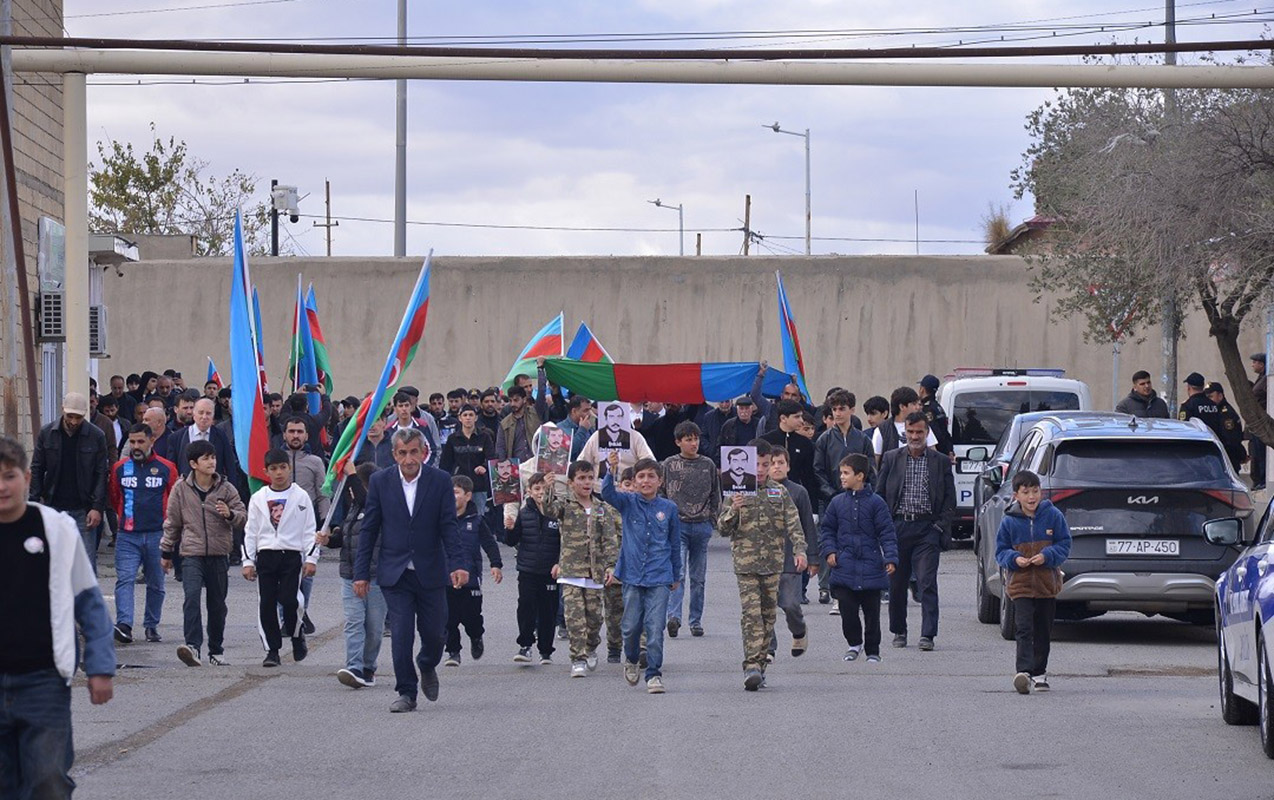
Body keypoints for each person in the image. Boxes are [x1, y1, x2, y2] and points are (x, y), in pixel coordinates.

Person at [0, 435, 115, 799]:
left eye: (9, 476)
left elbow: (90, 602)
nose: (2, 486)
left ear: (27, 479)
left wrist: (100, 666)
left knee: (48, 779)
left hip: (43, 681)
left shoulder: (57, 530)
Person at [355, 427, 468, 713]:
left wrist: (457, 563)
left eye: (414, 452)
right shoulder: (381, 481)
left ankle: (427, 663)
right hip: (395, 573)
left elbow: (448, 526)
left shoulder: (440, 481)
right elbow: (369, 530)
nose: (408, 459)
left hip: (430, 570)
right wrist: (360, 573)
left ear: (423, 452)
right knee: (402, 635)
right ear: (394, 454)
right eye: (402, 453)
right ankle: (406, 691)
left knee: (434, 634)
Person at [718, 439, 806, 691]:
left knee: (768, 616)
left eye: (765, 464)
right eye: (755, 464)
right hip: (745, 565)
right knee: (752, 615)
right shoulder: (735, 491)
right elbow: (722, 528)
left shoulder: (779, 492)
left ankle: (761, 666)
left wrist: (800, 550)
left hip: (773, 564)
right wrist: (733, 509)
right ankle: (751, 666)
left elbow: (794, 524)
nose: (759, 469)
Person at [161, 440, 246, 667]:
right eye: (206, 458)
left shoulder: (226, 488)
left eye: (213, 457)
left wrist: (229, 514)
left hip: (219, 553)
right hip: (191, 552)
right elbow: (172, 522)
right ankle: (192, 647)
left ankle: (216, 650)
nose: (212, 462)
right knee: (191, 598)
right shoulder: (181, 489)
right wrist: (166, 552)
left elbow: (243, 516)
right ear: (193, 464)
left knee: (217, 604)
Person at [601, 451, 681, 694]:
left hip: (660, 575)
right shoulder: (627, 502)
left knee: (655, 629)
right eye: (641, 477)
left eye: (651, 477)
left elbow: (674, 543)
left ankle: (654, 674)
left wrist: (676, 575)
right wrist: (610, 470)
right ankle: (632, 659)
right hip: (633, 575)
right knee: (630, 626)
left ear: (660, 481)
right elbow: (607, 494)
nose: (646, 481)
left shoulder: (668, 508)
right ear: (634, 481)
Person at [876, 412, 955, 651]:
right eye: (910, 432)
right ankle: (899, 631)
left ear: (926, 432)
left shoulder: (939, 461)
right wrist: (883, 527)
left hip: (927, 529)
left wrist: (939, 526)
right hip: (898, 527)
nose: (914, 436)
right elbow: (880, 494)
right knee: (897, 584)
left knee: (926, 582)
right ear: (905, 433)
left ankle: (928, 635)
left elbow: (950, 499)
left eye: (919, 432)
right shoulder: (891, 458)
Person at [995, 469, 1072, 694]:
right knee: (1024, 628)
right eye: (1026, 492)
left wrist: (1047, 556)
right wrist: (1014, 558)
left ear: (1041, 492)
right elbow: (1000, 551)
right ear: (1016, 495)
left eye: (1035, 491)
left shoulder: (1053, 515)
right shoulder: (1009, 521)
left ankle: (1040, 673)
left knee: (1043, 630)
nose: (1031, 497)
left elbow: (1064, 544)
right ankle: (1024, 672)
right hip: (1020, 585)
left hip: (1047, 585)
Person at [242, 449, 318, 669]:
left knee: (290, 600)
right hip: (266, 555)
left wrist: (311, 558)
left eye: (282, 468)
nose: (278, 473)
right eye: (273, 469)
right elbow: (251, 531)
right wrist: (248, 562)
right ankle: (272, 650)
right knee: (266, 603)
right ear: (266, 471)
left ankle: (296, 634)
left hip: (291, 555)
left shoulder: (300, 496)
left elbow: (308, 529)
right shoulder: (258, 498)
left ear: (289, 468)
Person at [542, 461, 618, 677]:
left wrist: (611, 566)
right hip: (571, 572)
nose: (586, 482)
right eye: (581, 479)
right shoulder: (565, 505)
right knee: (575, 618)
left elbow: (610, 540)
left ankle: (591, 646)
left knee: (594, 618)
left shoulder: (603, 509)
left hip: (596, 572)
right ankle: (578, 658)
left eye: (589, 478)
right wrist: (548, 488)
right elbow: (549, 510)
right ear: (571, 483)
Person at [820, 454, 898, 663]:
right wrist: (830, 551)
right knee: (847, 609)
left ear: (860, 476)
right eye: (841, 473)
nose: (842, 478)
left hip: (872, 565)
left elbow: (887, 533)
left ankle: (873, 650)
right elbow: (827, 530)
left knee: (872, 613)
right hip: (844, 565)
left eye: (846, 473)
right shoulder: (837, 503)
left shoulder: (876, 503)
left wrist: (890, 558)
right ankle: (854, 643)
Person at [107, 423, 178, 645]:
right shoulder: (120, 468)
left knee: (156, 583)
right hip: (127, 535)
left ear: (151, 441)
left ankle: (151, 625)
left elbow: (174, 499)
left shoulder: (167, 467)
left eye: (140, 442)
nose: (136, 446)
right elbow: (114, 496)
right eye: (132, 442)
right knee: (125, 579)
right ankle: (124, 625)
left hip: (158, 535)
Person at [29, 392, 110, 576]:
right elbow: (37, 468)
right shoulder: (47, 433)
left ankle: (86, 604)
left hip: (84, 508)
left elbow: (101, 473)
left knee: (86, 566)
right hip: (53, 505)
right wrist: (34, 502)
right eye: (70, 416)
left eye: (78, 417)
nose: (74, 421)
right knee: (50, 561)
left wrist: (97, 507)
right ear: (62, 410)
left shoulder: (96, 436)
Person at [661, 421, 720, 639]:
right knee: (679, 573)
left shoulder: (708, 465)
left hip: (702, 524)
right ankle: (673, 616)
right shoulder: (668, 465)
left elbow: (716, 494)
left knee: (699, 577)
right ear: (678, 442)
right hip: (678, 525)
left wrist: (713, 519)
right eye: (688, 439)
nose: (693, 443)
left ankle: (696, 620)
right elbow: (661, 493)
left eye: (695, 439)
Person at [330, 461, 385, 689]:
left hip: (376, 577)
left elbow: (368, 504)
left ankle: (368, 667)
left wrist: (352, 475)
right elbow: (346, 538)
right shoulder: (354, 508)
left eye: (357, 486)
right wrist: (330, 540)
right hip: (350, 574)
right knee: (354, 621)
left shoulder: (382, 505)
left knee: (373, 627)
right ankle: (354, 666)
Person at [443, 476, 503, 667]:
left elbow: (489, 544)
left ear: (468, 496)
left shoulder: (477, 520)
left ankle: (476, 637)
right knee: (447, 619)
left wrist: (496, 564)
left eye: (456, 492)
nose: (451, 497)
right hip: (445, 578)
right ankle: (453, 651)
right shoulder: (442, 520)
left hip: (471, 579)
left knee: (471, 618)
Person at [504, 472, 562, 665]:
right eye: (537, 488)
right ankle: (525, 645)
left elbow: (565, 541)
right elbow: (512, 540)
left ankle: (546, 651)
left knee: (548, 611)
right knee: (526, 607)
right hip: (527, 570)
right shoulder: (524, 513)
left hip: (550, 571)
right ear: (528, 491)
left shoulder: (556, 512)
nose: (540, 492)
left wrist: (559, 562)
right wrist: (510, 528)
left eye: (544, 489)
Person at [768, 446, 818, 659]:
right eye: (771, 463)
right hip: (765, 560)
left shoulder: (798, 492)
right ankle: (768, 648)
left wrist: (813, 557)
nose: (776, 467)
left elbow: (808, 525)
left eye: (780, 462)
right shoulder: (757, 490)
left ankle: (799, 630)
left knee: (790, 604)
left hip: (791, 559)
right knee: (765, 608)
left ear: (788, 465)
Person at [440, 404, 496, 513]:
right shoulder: (453, 439)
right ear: (460, 418)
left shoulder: (485, 437)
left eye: (471, 415)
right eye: (465, 415)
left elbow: (491, 458)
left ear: (476, 418)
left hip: (479, 485)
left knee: (480, 516)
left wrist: (484, 467)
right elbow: (445, 464)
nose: (468, 418)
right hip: (458, 486)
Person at [167, 397, 238, 479]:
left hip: (214, 487)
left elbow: (230, 466)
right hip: (186, 488)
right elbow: (171, 468)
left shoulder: (221, 436)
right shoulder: (176, 437)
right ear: (194, 414)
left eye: (208, 413)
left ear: (213, 415)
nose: (204, 417)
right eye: (200, 413)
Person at [871, 386, 937, 465]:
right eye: (914, 404)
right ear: (902, 406)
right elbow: (875, 461)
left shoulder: (923, 426)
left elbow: (933, 455)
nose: (918, 407)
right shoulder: (881, 430)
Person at [1205, 382, 1248, 473]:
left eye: (1211, 397)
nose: (1208, 400)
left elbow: (1231, 440)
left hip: (1229, 458)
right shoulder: (1215, 411)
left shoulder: (1226, 413)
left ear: (1220, 396)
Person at [496, 385, 542, 463]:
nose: (512, 404)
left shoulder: (535, 414)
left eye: (516, 400)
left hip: (536, 463)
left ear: (524, 400)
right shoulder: (505, 424)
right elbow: (500, 448)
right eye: (510, 401)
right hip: (516, 467)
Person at [917, 374, 954, 456]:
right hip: (943, 453)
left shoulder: (927, 410)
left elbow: (935, 433)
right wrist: (949, 450)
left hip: (935, 454)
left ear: (922, 389)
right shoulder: (938, 407)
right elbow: (946, 433)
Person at [1251, 354, 1268, 490]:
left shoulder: (1266, 379)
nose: (1252, 365)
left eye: (1255, 362)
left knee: (1262, 453)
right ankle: (1259, 479)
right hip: (1257, 423)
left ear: (1262, 364)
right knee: (1257, 454)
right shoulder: (1260, 378)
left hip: (1262, 423)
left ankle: (1263, 479)